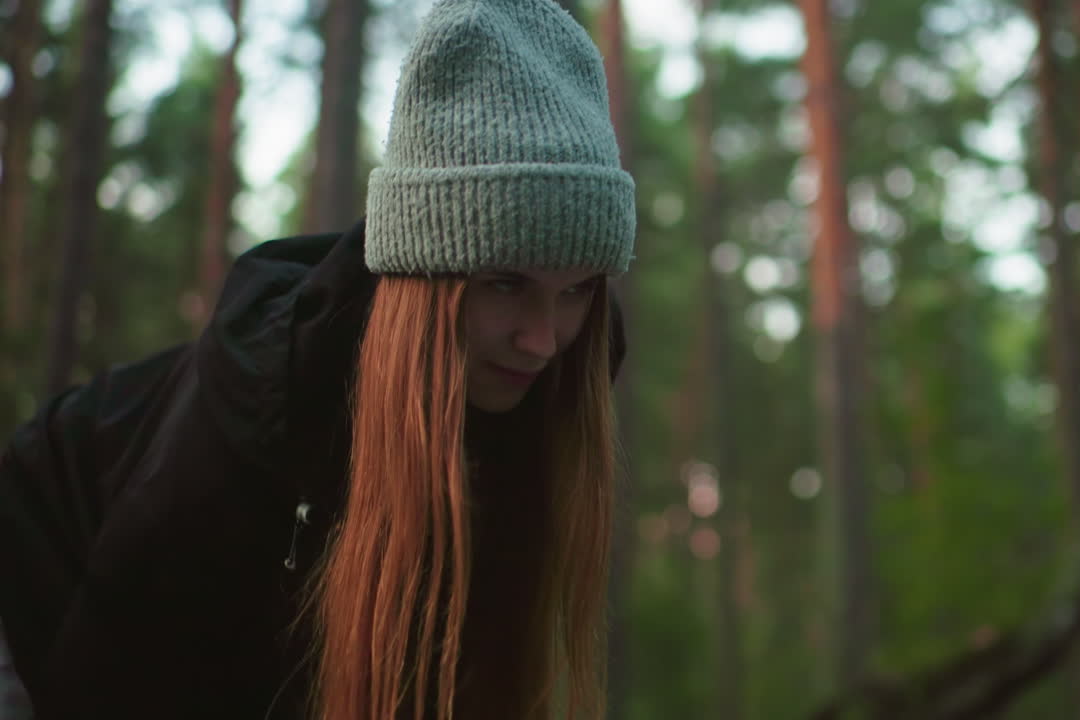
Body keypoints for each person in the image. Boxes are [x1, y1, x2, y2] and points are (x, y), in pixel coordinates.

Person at [0, 0, 635, 717]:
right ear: (423, 284)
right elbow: (110, 676)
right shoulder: (258, 412)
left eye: (576, 290)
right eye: (504, 284)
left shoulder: (548, 392)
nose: (543, 339)